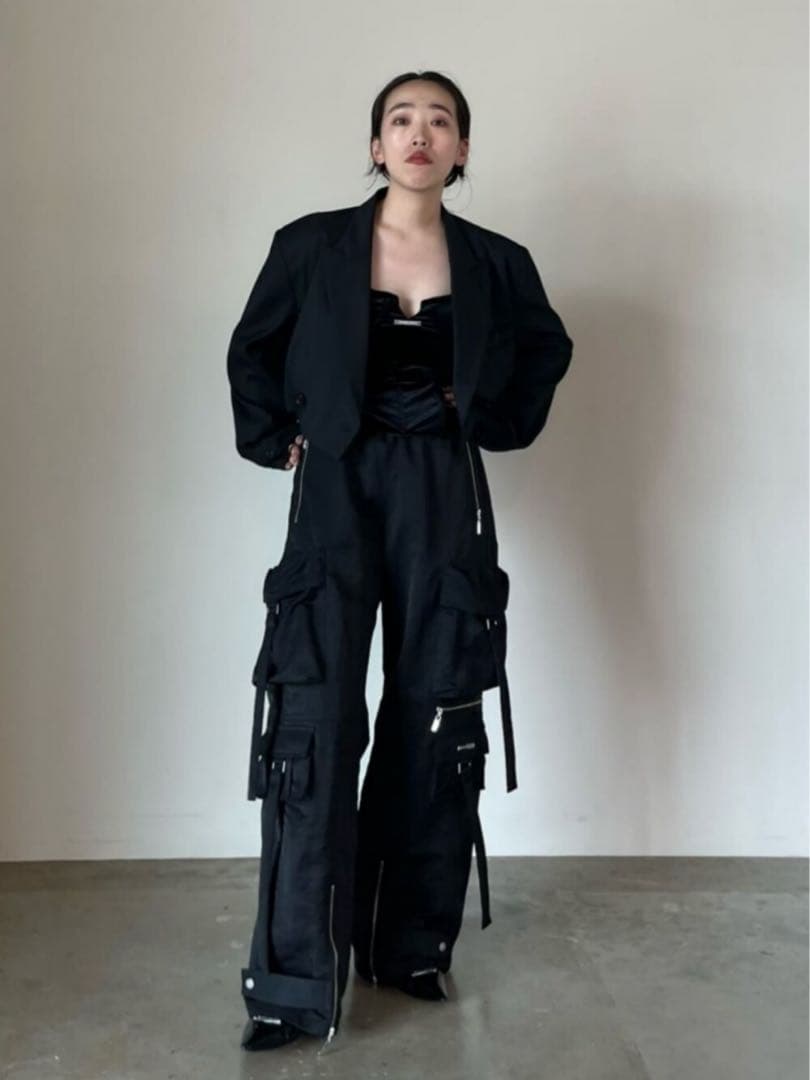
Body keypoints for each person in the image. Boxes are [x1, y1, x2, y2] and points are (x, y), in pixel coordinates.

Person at [226, 70, 574, 1053]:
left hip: (440, 493)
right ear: (376, 145)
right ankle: (292, 983)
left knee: (435, 710)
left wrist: (486, 414)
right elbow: (253, 349)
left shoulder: (496, 261)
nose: (421, 133)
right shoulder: (311, 246)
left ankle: (409, 945)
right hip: (336, 486)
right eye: (401, 119)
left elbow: (547, 349)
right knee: (313, 715)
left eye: (441, 121)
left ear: (461, 150)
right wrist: (278, 439)